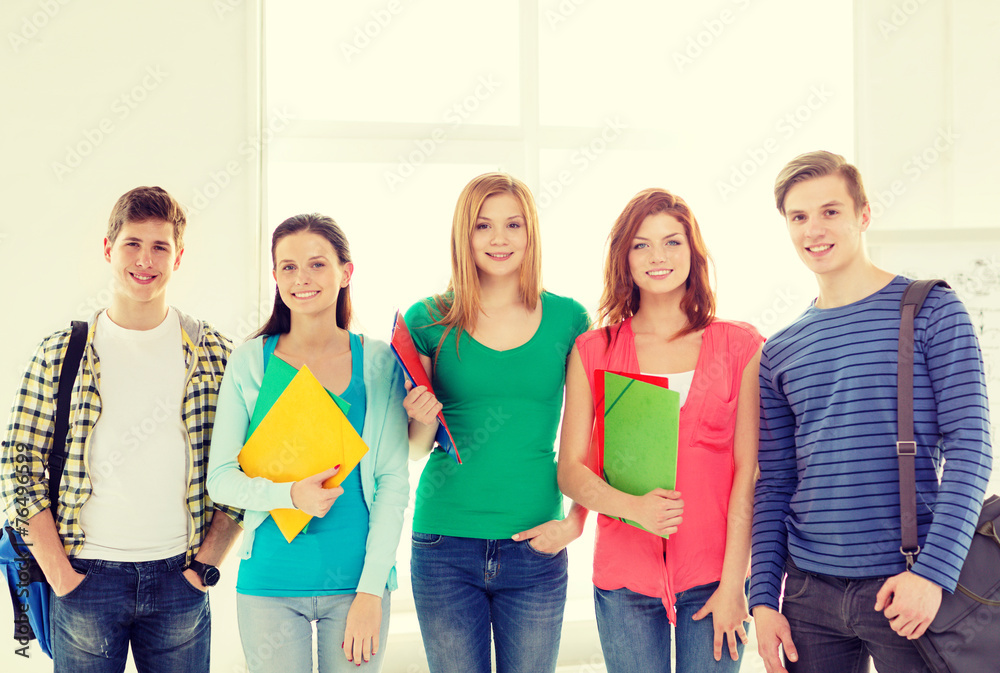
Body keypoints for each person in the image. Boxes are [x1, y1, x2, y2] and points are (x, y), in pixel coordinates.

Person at [750, 151, 993, 673]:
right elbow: (774, 484)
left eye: (830, 211)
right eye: (799, 217)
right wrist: (764, 599)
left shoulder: (930, 308)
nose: (814, 229)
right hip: (808, 596)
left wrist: (932, 575)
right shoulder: (780, 349)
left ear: (863, 215)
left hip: (905, 590)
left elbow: (972, 450)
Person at [0, 186, 242, 672]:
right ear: (108, 248)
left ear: (178, 257)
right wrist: (60, 574)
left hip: (181, 577)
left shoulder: (216, 353)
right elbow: (19, 463)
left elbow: (245, 460)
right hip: (85, 578)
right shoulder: (60, 352)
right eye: (132, 243)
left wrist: (207, 563)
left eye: (160, 247)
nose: (145, 260)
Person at [557, 188, 763, 673]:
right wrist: (633, 509)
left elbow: (748, 473)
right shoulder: (594, 350)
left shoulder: (741, 346)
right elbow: (569, 470)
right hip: (623, 578)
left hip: (715, 577)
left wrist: (735, 583)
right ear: (623, 258)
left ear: (693, 251)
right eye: (641, 245)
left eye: (672, 242)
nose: (658, 257)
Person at [402, 172, 590, 673]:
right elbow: (416, 449)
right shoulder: (426, 318)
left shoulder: (569, 319)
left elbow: (590, 437)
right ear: (465, 235)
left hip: (537, 544)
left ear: (531, 233)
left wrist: (574, 524)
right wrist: (419, 419)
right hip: (444, 542)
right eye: (484, 226)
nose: (499, 239)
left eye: (513, 224)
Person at [207, 213, 408, 673]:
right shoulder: (249, 362)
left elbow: (394, 482)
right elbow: (221, 480)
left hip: (356, 582)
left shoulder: (376, 360)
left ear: (346, 271)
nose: (302, 279)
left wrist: (371, 591)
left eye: (318, 264)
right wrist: (288, 495)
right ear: (275, 276)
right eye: (288, 267)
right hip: (269, 584)